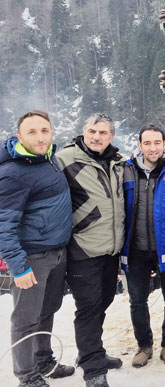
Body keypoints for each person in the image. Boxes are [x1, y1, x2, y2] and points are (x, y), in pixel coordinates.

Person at [0, 110, 73, 387]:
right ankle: (26, 376)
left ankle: (43, 361)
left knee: (47, 310)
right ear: (19, 137)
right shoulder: (13, 174)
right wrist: (18, 266)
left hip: (56, 252)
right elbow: (3, 225)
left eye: (44, 130)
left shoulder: (48, 159)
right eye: (32, 132)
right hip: (32, 257)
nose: (40, 137)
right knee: (25, 318)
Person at [56, 113, 125, 387]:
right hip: (83, 248)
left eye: (103, 133)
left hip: (111, 249)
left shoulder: (119, 162)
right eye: (92, 131)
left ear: (111, 136)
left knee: (104, 303)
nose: (97, 137)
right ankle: (94, 368)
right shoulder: (65, 160)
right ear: (84, 131)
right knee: (88, 308)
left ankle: (91, 352)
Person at [120, 124, 165, 367]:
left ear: (164, 144)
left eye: (157, 143)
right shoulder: (126, 171)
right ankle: (144, 346)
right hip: (135, 249)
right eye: (147, 143)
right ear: (140, 145)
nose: (153, 148)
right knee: (137, 300)